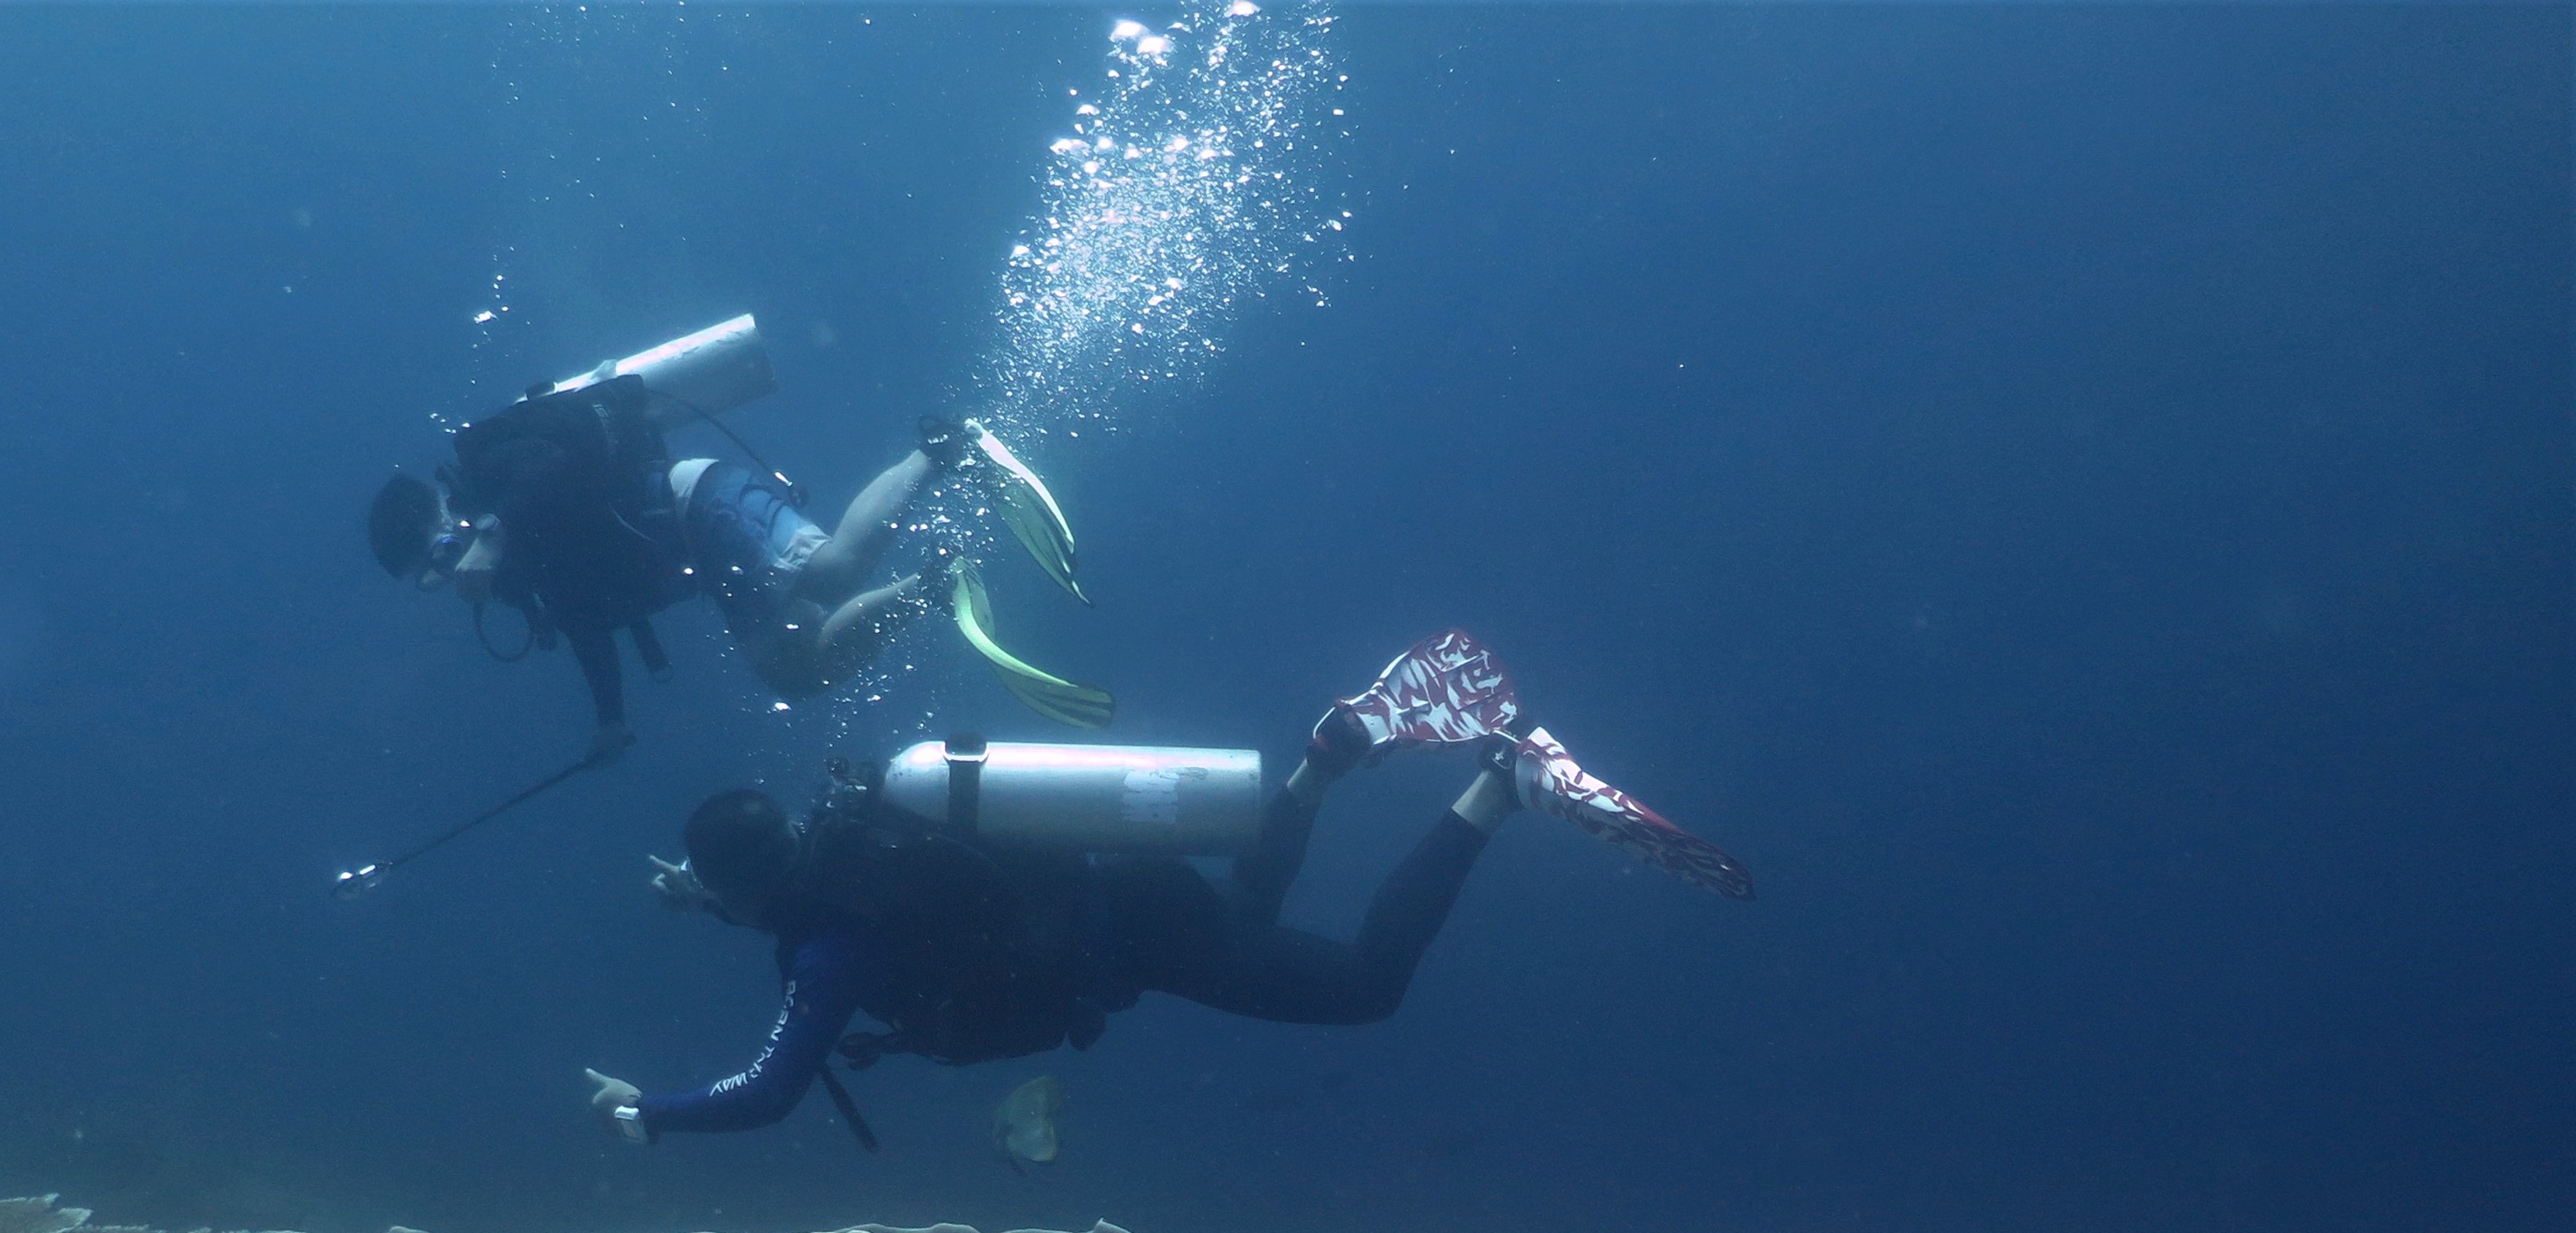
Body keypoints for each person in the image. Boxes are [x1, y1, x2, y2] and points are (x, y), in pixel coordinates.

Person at [580, 636, 1752, 1142]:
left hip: (1133, 942)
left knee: (1364, 989)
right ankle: (1326, 759)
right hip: (1130, 897)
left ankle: (1506, 781)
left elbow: (772, 1090)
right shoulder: (854, 825)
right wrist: (702, 888)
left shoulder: (828, 950)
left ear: (755, 891)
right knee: (1245, 914)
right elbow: (766, 882)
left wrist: (654, 1117)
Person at [369, 389, 969, 767]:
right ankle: (934, 584)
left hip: (696, 501)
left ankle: (938, 448)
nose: (449, 576)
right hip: (698, 561)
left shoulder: (495, 475)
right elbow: (584, 621)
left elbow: (556, 466)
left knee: (830, 574)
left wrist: (494, 537)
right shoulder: (505, 573)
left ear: (447, 511)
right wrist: (610, 719)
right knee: (796, 671)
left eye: (441, 555)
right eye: (430, 581)